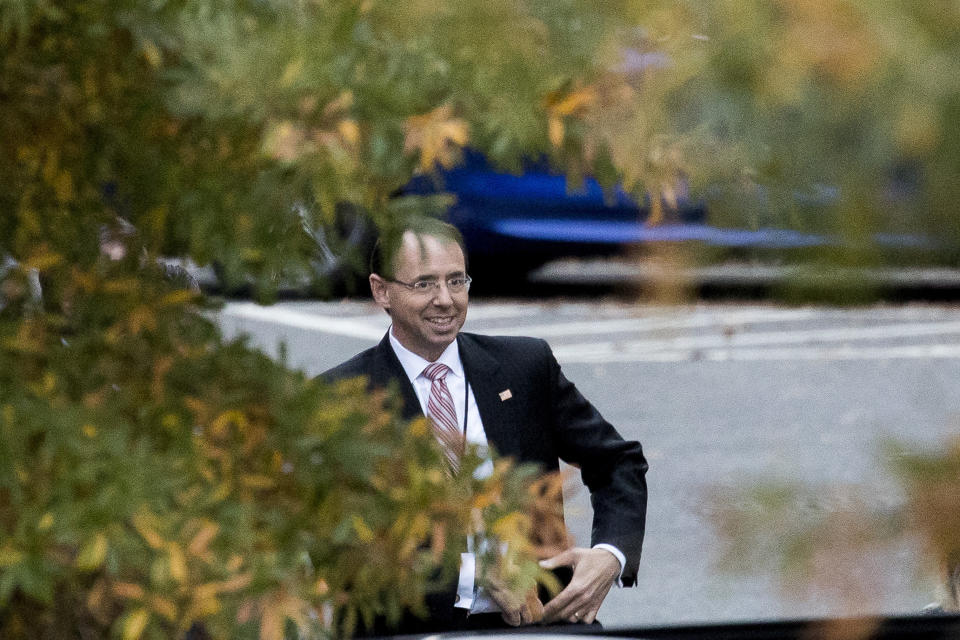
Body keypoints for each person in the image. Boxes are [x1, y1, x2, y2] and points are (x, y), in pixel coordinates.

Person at [321, 218, 648, 634]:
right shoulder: (342, 399)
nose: (446, 299)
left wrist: (609, 555)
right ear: (381, 290)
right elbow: (339, 553)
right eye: (424, 284)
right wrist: (478, 575)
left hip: (540, 625)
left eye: (457, 281)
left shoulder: (524, 367)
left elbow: (618, 462)